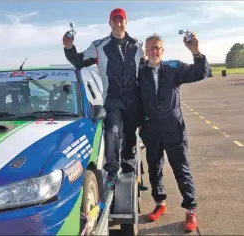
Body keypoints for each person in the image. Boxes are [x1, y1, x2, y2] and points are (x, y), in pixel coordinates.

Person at [62, 8, 145, 189]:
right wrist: (68, 47)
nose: (118, 23)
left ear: (126, 22)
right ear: (110, 23)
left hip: (133, 99)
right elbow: (78, 61)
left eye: (121, 20)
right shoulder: (99, 46)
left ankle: (129, 169)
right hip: (113, 97)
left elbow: (146, 71)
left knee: (130, 135)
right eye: (115, 20)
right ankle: (112, 171)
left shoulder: (138, 46)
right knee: (112, 130)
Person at [137, 32, 209, 232]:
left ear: (163, 50)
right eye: (150, 47)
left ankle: (190, 210)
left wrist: (195, 52)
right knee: (154, 168)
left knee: (181, 168)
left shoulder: (174, 68)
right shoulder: (140, 72)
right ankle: (160, 203)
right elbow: (134, 99)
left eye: (157, 47)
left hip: (173, 126)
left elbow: (200, 73)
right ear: (145, 50)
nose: (153, 51)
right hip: (151, 128)